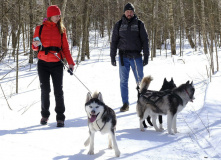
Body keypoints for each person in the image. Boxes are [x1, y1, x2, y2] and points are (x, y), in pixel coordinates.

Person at [32, 5, 75, 127]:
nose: (58, 17)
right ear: (50, 15)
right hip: (43, 64)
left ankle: (60, 117)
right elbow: (35, 47)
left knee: (58, 91)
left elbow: (65, 48)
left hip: (57, 63)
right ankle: (45, 115)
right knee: (45, 90)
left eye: (59, 15)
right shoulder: (39, 29)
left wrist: (71, 63)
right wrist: (35, 45)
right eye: (56, 15)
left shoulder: (61, 29)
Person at [110, 3, 149, 112]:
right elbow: (114, 41)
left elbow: (145, 41)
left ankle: (142, 104)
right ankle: (125, 103)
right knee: (123, 81)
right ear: (124, 12)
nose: (129, 13)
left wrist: (146, 55)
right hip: (123, 58)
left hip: (136, 57)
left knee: (140, 82)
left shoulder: (139, 24)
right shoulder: (118, 25)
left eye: (131, 11)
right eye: (127, 11)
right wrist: (112, 56)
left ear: (134, 12)